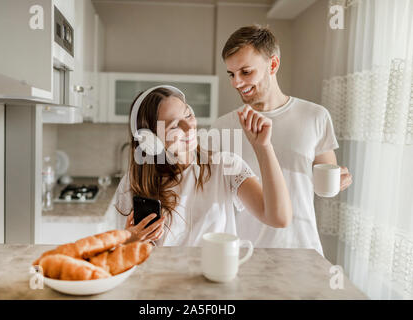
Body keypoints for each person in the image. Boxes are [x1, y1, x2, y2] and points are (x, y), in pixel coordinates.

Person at [210, 25, 353, 256]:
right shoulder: (222, 128)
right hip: (244, 254)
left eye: (246, 72)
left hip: (304, 250)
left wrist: (338, 182)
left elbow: (323, 180)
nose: (236, 82)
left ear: (273, 65)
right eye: (231, 74)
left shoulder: (315, 116)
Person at [112, 85, 292, 246]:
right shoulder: (133, 183)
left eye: (188, 114)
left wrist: (263, 147)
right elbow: (120, 253)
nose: (189, 127)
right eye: (174, 126)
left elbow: (279, 218)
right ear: (150, 141)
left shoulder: (225, 166)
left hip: (214, 279)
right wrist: (130, 241)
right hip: (161, 281)